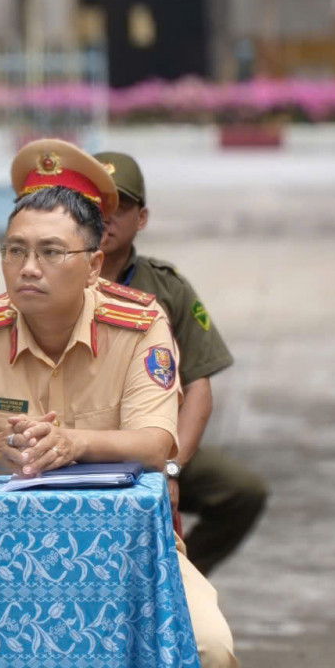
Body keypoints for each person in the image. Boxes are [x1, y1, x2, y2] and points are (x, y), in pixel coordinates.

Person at [0, 140, 237, 668]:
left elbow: (158, 442)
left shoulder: (140, 327)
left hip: (123, 555)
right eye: (14, 251)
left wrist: (75, 443)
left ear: (92, 265)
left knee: (208, 648)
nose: (28, 268)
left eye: (49, 252)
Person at [97, 150, 268, 575]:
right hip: (82, 438)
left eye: (120, 208)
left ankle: (177, 579)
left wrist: (171, 468)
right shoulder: (55, 275)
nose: (106, 219)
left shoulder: (166, 287)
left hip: (157, 444)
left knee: (242, 493)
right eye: (95, 206)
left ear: (143, 218)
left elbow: (198, 387)